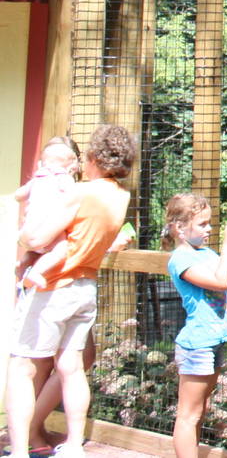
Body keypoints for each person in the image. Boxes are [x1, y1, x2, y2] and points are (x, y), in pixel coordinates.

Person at [6, 124, 135, 458]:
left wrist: (22, 234)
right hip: (85, 287)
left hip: (54, 286)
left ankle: (18, 451)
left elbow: (36, 238)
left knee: (22, 367)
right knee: (72, 366)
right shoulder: (121, 195)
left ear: (92, 157)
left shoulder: (82, 193)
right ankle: (74, 445)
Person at [162, 194, 227, 458]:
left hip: (215, 341)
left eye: (209, 223)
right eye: (202, 224)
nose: (209, 228)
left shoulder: (206, 253)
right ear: (179, 227)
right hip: (196, 344)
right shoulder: (181, 259)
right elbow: (221, 283)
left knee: (201, 409)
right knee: (188, 414)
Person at [11, 138, 79, 289]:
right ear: (71, 167)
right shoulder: (64, 178)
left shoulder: (37, 179)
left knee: (31, 253)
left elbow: (18, 195)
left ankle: (21, 268)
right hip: (48, 233)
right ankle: (36, 272)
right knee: (61, 248)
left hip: (27, 232)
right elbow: (75, 196)